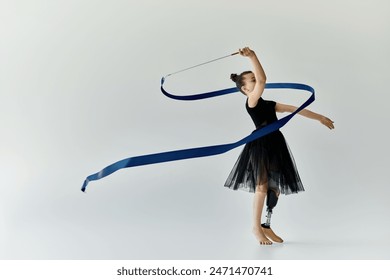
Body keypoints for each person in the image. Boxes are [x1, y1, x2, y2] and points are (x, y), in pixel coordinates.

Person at [224, 47, 334, 245]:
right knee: (261, 186)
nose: (258, 82)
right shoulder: (252, 101)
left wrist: (319, 118)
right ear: (246, 90)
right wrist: (252, 57)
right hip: (261, 145)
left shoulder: (269, 104)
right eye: (254, 81)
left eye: (256, 80)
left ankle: (266, 224)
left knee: (275, 188)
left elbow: (294, 109)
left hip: (275, 144)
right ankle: (255, 228)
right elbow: (264, 80)